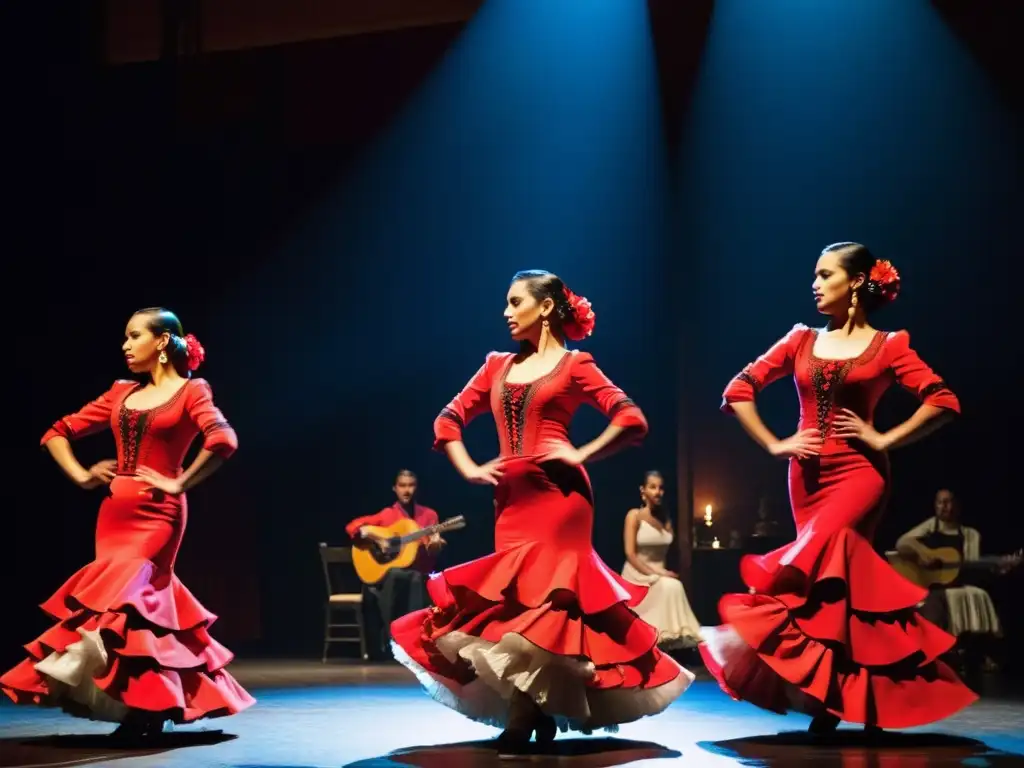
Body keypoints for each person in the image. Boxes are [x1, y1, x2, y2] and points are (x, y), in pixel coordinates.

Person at [390, 271, 692, 753]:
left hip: (561, 499)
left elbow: (631, 418)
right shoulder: (495, 366)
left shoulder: (575, 364)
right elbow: (447, 420)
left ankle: (522, 714)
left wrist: (582, 453)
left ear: (546, 307)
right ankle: (532, 707)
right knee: (515, 604)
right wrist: (468, 467)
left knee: (549, 604)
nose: (506, 313)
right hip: (510, 502)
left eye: (515, 302)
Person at [699, 243, 977, 733]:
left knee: (824, 563)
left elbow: (944, 400)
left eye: (825, 274)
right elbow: (738, 389)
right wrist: (774, 443)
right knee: (835, 593)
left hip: (860, 476)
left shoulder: (889, 345)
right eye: (815, 274)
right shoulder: (800, 340)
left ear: (855, 283)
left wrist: (883, 437)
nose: (815, 283)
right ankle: (840, 701)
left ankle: (846, 699)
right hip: (806, 478)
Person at [0, 308, 254, 738]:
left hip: (159, 516)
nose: (125, 344)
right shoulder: (120, 393)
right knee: (120, 611)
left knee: (135, 602)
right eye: (125, 336)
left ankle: (149, 709)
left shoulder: (192, 391)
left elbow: (223, 439)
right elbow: (56, 432)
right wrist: (81, 475)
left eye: (134, 335)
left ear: (161, 342)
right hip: (114, 517)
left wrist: (179, 482)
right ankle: (140, 705)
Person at [896, 489, 1005, 666]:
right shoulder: (930, 527)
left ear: (957, 506)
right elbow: (902, 543)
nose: (944, 507)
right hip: (933, 584)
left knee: (978, 594)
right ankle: (932, 653)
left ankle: (973, 652)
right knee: (932, 602)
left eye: (948, 502)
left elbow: (971, 566)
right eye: (940, 502)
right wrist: (923, 554)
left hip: (956, 582)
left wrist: (997, 567)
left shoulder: (970, 535)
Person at [346, 470, 445, 656]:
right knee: (398, 575)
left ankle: (414, 639)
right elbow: (353, 527)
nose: (407, 490)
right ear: (395, 488)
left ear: (417, 488)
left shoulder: (429, 516)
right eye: (402, 486)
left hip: (419, 575)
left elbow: (433, 553)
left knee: (414, 577)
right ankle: (396, 638)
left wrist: (434, 546)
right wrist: (378, 537)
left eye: (411, 485)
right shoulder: (387, 515)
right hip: (391, 576)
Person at [621, 471, 702, 650]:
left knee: (672, 585)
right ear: (643, 490)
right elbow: (630, 554)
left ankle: (679, 640)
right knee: (671, 586)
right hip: (637, 575)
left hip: (660, 574)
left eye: (660, 488)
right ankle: (666, 638)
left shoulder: (665, 519)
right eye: (652, 487)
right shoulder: (634, 515)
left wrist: (664, 573)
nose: (657, 492)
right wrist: (657, 573)